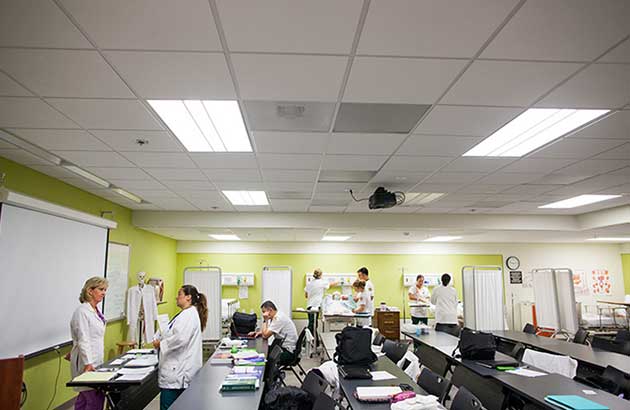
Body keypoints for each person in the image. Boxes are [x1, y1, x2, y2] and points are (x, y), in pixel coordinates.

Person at [152, 285, 207, 410]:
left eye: (179, 294)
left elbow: (180, 338)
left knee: (170, 406)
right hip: (177, 370)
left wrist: (161, 344)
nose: (176, 297)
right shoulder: (186, 314)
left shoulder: (187, 315)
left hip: (177, 371)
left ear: (188, 297)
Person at [70, 276, 108, 410]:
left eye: (105, 290)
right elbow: (83, 338)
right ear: (90, 291)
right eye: (101, 289)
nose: (104, 293)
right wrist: (88, 363)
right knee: (94, 398)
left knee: (84, 398)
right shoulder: (82, 312)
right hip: (87, 363)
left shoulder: (95, 310)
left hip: (95, 358)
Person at [250, 300, 298, 365]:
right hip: (283, 348)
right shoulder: (278, 315)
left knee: (264, 355)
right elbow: (268, 331)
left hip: (288, 353)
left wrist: (265, 320)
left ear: (270, 310)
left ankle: (268, 374)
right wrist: (260, 332)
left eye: (264, 312)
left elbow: (265, 336)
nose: (263, 314)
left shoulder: (278, 319)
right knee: (262, 350)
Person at [304, 268, 337, 334]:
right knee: (313, 325)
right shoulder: (322, 282)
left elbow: (306, 295)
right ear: (321, 275)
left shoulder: (309, 283)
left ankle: (314, 341)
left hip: (309, 306)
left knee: (312, 323)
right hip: (316, 306)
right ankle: (307, 340)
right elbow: (330, 285)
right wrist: (338, 282)